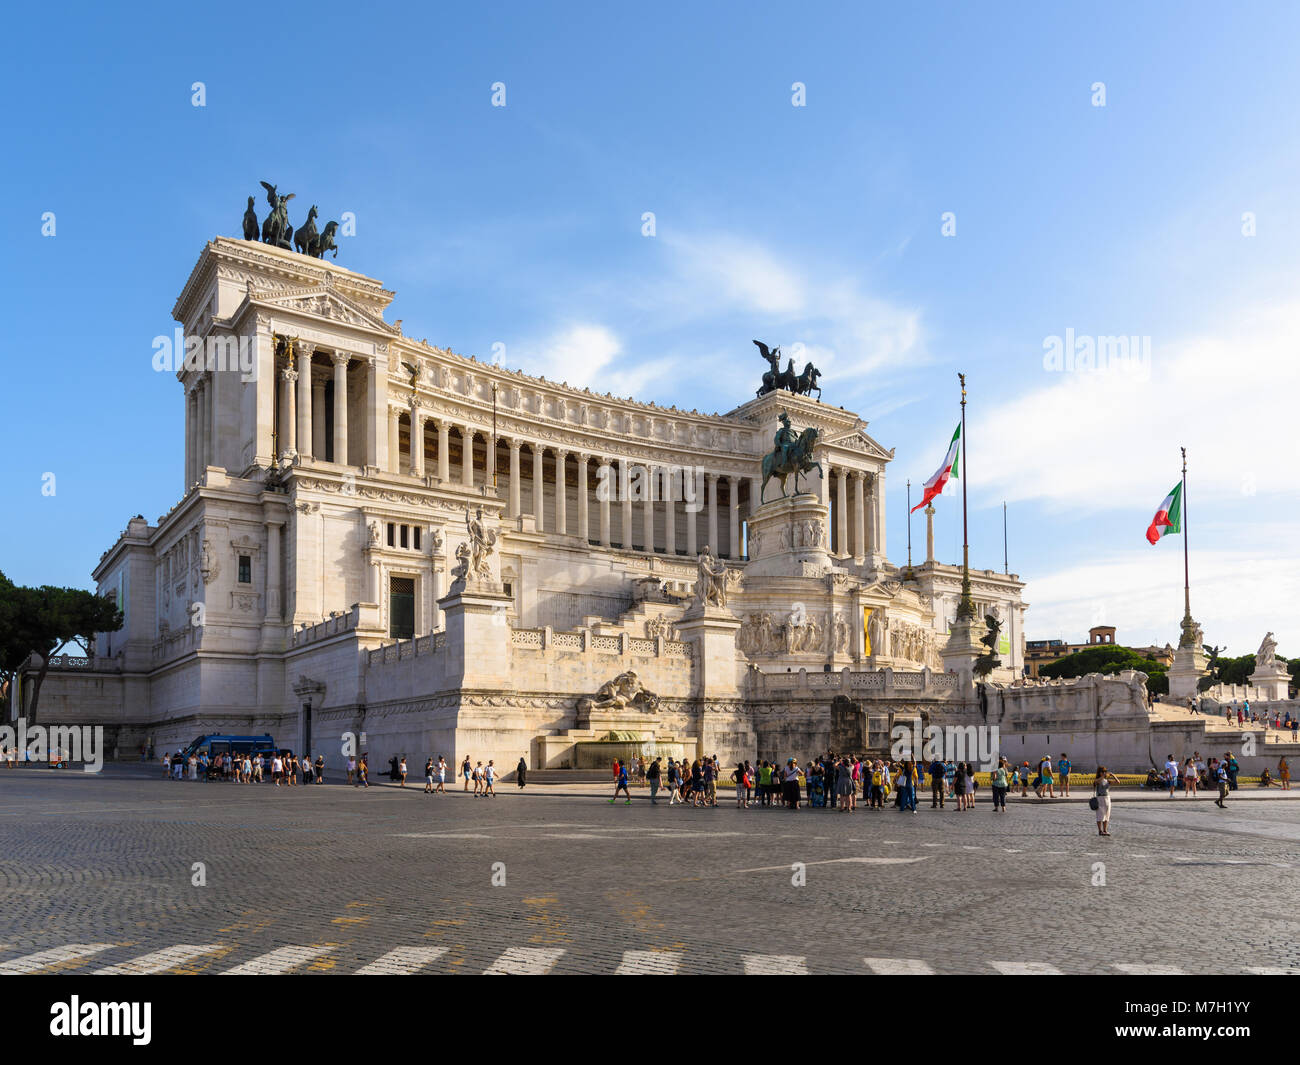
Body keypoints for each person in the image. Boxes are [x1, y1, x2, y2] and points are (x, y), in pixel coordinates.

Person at [1093, 766, 1119, 836]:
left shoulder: (1107, 780)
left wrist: (1113, 775)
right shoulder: (1097, 780)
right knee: (1100, 815)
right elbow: (1096, 782)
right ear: (1100, 773)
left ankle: (1105, 830)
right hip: (1100, 798)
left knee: (1107, 814)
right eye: (1103, 772)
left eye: (1105, 771)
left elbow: (1118, 782)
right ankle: (1100, 831)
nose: (1104, 773)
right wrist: (1103, 776)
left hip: (1107, 798)